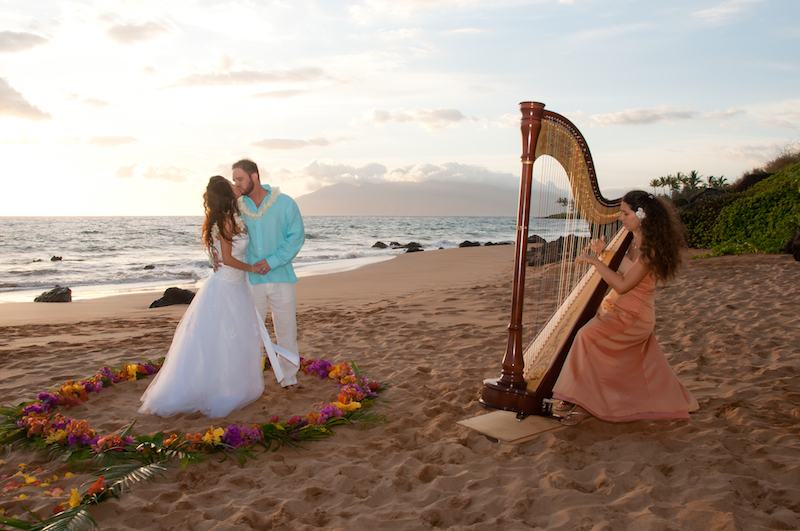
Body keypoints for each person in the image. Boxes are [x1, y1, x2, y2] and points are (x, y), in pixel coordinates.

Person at [139, 177, 299, 419]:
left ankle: (231, 381)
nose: (236, 186)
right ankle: (222, 386)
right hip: (227, 284)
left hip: (235, 284)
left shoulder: (229, 216)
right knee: (225, 337)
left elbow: (219, 257)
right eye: (232, 184)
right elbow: (228, 259)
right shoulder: (225, 219)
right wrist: (252, 269)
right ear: (226, 192)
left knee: (230, 337)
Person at [552, 190, 699, 426]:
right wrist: (603, 251)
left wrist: (596, 262)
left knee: (586, 335)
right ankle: (576, 394)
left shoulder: (651, 250)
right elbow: (624, 266)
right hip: (615, 310)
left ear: (642, 215)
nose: (621, 217)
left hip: (634, 316)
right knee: (579, 331)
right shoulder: (630, 239)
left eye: (625, 213)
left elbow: (622, 284)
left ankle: (583, 402)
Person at [231, 159, 305, 388]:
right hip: (251, 280)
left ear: (255, 176)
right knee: (251, 331)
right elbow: (226, 236)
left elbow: (296, 237)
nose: (237, 184)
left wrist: (272, 262)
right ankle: (251, 379)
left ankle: (289, 378)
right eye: (234, 180)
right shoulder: (237, 207)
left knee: (286, 330)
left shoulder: (285, 203)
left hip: (281, 277)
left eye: (240, 179)